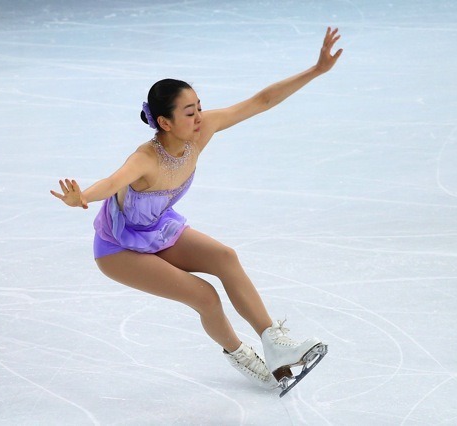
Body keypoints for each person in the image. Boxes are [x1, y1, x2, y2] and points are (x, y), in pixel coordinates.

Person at [51, 27, 343, 390]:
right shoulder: (144, 159)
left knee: (224, 257)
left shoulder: (199, 133)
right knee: (204, 296)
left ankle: (275, 344)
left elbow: (260, 101)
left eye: (200, 107)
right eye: (190, 112)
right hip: (119, 250)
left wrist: (315, 71)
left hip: (157, 228)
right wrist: (80, 198)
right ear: (164, 122)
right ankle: (242, 356)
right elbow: (110, 183)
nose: (201, 117)